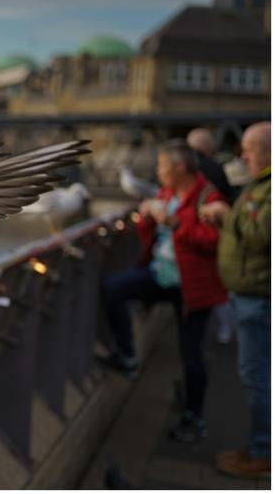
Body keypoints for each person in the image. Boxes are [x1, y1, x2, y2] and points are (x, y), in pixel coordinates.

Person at [99, 139, 227, 442]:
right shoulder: (168, 192)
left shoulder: (209, 197)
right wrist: (148, 217)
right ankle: (127, 355)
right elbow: (154, 236)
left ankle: (194, 419)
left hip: (192, 288)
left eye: (162, 166)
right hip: (161, 275)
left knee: (191, 354)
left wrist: (173, 221)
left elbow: (213, 243)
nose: (158, 172)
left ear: (180, 168)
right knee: (113, 290)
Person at [200, 121, 270, 479]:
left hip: (259, 296)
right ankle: (260, 446)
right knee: (256, 373)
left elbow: (263, 235)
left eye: (249, 149)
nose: (242, 156)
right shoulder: (260, 185)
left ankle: (262, 454)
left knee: (258, 375)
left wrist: (227, 217)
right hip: (249, 294)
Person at [187, 127, 235, 344]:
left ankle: (216, 329)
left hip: (195, 236)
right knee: (215, 284)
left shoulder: (188, 169)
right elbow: (228, 198)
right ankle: (225, 328)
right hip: (215, 235)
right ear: (207, 148)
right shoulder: (215, 168)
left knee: (205, 287)